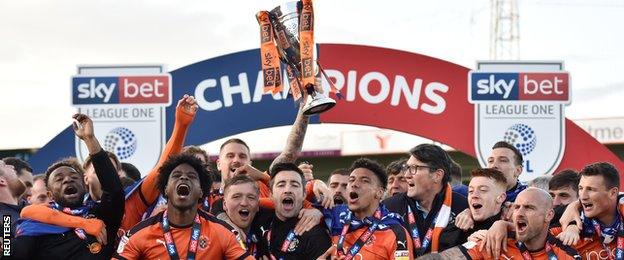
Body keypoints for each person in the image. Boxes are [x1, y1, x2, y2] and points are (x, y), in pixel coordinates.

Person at [9, 113, 124, 259]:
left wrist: (90, 139)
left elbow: (114, 189)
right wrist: (5, 237)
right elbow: (10, 255)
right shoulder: (36, 225)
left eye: (74, 177)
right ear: (50, 195)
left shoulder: (102, 214)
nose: (68, 179)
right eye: (59, 179)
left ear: (84, 184)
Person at [114, 154, 253, 259]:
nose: (184, 178)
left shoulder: (222, 232)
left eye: (192, 176)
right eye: (176, 175)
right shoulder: (140, 234)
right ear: (166, 189)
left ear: (201, 191)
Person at [419, 188, 581, 260]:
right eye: (517, 207)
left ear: (549, 215)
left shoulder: (564, 253)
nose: (520, 213)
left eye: (529, 208)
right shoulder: (495, 241)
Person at [382, 144, 468, 256]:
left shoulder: (463, 207)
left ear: (437, 175)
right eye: (407, 168)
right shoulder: (388, 208)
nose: (407, 175)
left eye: (414, 168)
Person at [321, 158, 413, 260]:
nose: (354, 184)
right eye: (351, 180)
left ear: (379, 193)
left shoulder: (396, 232)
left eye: (365, 181)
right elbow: (303, 199)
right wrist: (315, 184)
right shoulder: (337, 216)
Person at [252, 162, 331, 259]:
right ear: (271, 195)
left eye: (294, 185)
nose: (288, 190)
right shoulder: (257, 217)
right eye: (281, 185)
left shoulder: (316, 236)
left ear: (304, 194)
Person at [555, 162, 622, 259]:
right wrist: (572, 225)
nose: (583, 196)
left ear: (613, 193)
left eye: (591, 189)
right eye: (581, 188)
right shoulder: (569, 223)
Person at [455, 141, 527, 231]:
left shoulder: (529, 198)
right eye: (490, 161)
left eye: (503, 160)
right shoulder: (464, 196)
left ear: (518, 170)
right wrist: (469, 211)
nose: (494, 165)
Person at [460, 168, 507, 242]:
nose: (474, 195)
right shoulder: (458, 226)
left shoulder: (511, 230)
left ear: (501, 197)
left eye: (483, 190)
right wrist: (468, 246)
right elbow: (439, 253)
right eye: (471, 191)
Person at [0, 160, 26, 239]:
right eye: (5, 165)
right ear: (1, 181)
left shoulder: (30, 207)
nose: (12, 166)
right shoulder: (5, 223)